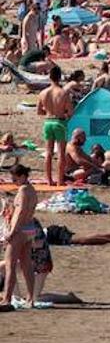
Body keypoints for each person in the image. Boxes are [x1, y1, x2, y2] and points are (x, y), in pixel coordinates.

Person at [1, 165, 38, 310]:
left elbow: (20, 211)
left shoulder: (23, 190)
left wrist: (12, 232)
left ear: (22, 176)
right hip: (30, 229)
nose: (13, 181)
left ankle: (6, 299)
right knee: (26, 265)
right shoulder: (31, 189)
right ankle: (30, 298)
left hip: (20, 230)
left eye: (15, 178)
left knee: (10, 265)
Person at [36, 66, 72, 186]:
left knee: (48, 152)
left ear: (49, 77)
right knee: (61, 153)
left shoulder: (43, 93)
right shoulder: (63, 93)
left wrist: (49, 111)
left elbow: (39, 111)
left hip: (48, 122)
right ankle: (60, 180)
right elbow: (70, 112)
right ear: (60, 77)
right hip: (59, 122)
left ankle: (48, 180)